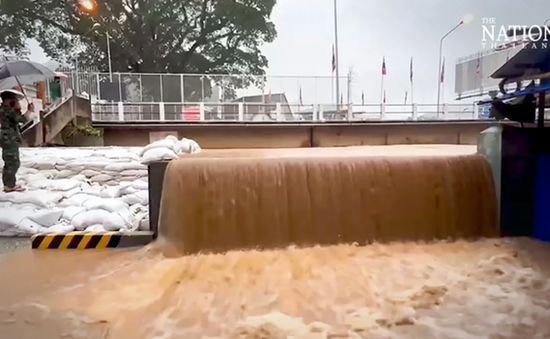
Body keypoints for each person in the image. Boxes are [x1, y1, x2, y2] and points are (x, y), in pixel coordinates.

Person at [0, 90, 29, 192]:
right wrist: (28, 110)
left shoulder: (4, 110)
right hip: (9, 138)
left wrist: (17, 109)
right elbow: (22, 119)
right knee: (13, 162)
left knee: (9, 161)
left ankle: (9, 183)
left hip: (8, 138)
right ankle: (9, 185)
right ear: (8, 100)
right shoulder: (7, 110)